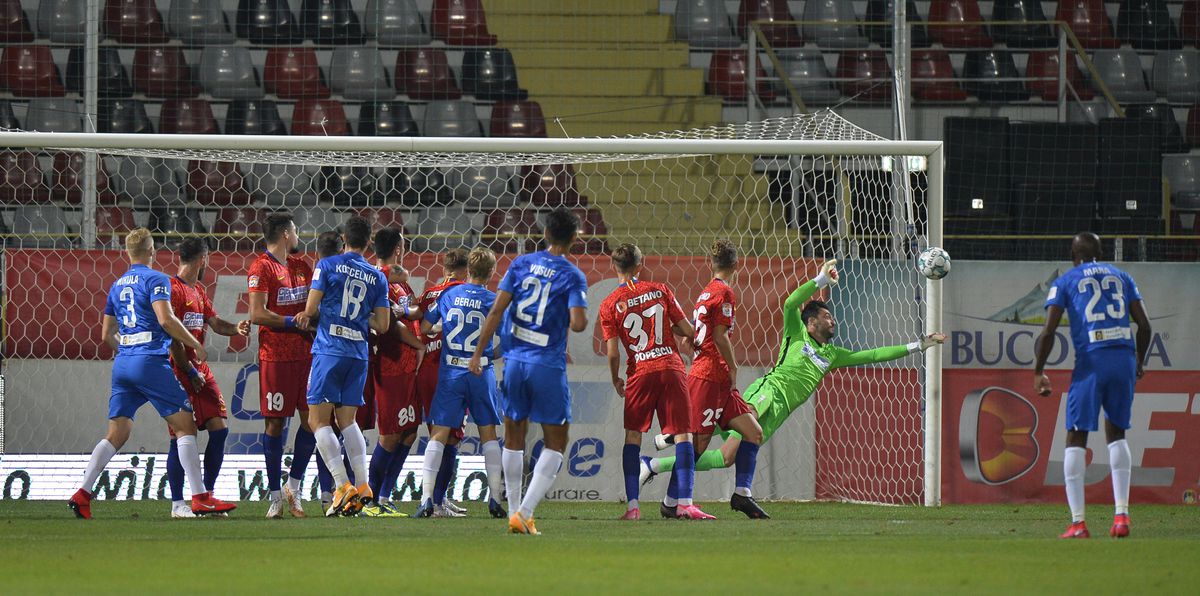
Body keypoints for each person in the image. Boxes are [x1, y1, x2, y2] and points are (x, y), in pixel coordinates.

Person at [643, 259, 946, 519]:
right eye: (827, 316)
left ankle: (656, 463)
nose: (833, 320)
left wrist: (918, 345)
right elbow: (790, 303)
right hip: (768, 391)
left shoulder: (832, 355)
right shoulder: (796, 333)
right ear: (811, 321)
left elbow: (874, 355)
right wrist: (820, 280)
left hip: (781, 410)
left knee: (726, 456)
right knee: (743, 422)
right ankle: (687, 446)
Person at [69, 229, 236, 519]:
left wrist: (128, 350)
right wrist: (195, 343)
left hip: (123, 364)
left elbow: (107, 334)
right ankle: (200, 498)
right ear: (151, 251)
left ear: (128, 252)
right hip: (149, 361)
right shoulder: (157, 279)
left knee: (116, 433)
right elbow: (166, 319)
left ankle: (82, 493)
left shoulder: (117, 285)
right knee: (185, 427)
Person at [468, 208, 590, 535]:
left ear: (545, 234)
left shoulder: (520, 264)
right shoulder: (572, 275)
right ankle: (524, 512)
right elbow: (579, 323)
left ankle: (513, 511)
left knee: (513, 437)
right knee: (556, 441)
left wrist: (478, 353)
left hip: (514, 363)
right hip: (546, 364)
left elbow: (497, 310)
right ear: (574, 238)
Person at [1033, 232, 1150, 539]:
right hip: (1123, 359)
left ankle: (1078, 523)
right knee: (1117, 433)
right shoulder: (1122, 276)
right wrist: (1138, 362)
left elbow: (1048, 332)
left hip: (1092, 362)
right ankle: (1121, 517)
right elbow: (1145, 325)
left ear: (1074, 256)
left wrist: (1038, 371)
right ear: (1101, 253)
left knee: (1076, 434)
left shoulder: (1066, 281)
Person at [599, 244, 713, 521]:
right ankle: (685, 504)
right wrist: (671, 333)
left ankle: (633, 507)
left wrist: (615, 378)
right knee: (684, 434)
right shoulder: (660, 290)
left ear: (614, 267)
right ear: (640, 266)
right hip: (670, 368)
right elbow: (688, 330)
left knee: (633, 436)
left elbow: (613, 352)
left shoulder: (609, 304)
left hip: (639, 372)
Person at [296, 216, 391, 516]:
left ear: (344, 239)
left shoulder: (327, 265)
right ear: (369, 242)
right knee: (348, 421)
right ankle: (363, 485)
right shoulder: (377, 276)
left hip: (330, 349)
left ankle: (341, 485)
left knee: (317, 421)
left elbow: (310, 309)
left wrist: (324, 312)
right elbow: (383, 325)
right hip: (358, 354)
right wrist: (360, 317)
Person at [663, 239, 765, 518]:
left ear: (712, 263)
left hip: (719, 382)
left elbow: (699, 329)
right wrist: (733, 365)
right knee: (697, 446)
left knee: (753, 432)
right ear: (736, 265)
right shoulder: (725, 292)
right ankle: (671, 502)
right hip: (709, 376)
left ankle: (742, 494)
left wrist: (692, 338)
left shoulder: (705, 292)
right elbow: (719, 336)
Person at [416, 247, 507, 519]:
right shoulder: (494, 300)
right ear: (491, 272)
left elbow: (424, 328)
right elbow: (509, 340)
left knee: (439, 434)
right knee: (488, 433)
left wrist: (443, 328)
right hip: (481, 372)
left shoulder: (448, 295)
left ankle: (426, 499)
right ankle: (495, 499)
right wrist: (491, 354)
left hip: (451, 374)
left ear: (468, 270)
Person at [164, 237, 251, 518]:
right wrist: (189, 371)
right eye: (207, 260)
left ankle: (207, 496)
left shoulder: (199, 291)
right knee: (180, 435)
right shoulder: (172, 290)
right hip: (178, 371)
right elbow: (172, 339)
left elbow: (214, 322)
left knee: (219, 429)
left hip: (200, 369)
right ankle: (178, 503)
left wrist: (236, 328)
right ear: (202, 259)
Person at [247, 212, 319, 518]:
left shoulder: (303, 266)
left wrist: (313, 319)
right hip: (275, 356)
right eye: (296, 230)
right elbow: (256, 314)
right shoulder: (261, 267)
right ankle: (275, 496)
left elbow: (315, 307)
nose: (298, 236)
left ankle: (294, 487)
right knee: (275, 424)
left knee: (311, 422)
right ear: (286, 234)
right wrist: (294, 321)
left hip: (306, 355)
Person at [362, 227, 426, 517]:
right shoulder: (379, 279)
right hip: (391, 364)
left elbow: (410, 311)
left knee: (409, 431)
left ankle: (385, 496)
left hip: (409, 365)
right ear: (398, 248)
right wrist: (418, 343)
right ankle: (370, 501)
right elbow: (390, 325)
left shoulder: (400, 284)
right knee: (389, 434)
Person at [407, 248, 473, 517]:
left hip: (426, 370)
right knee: (451, 439)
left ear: (444, 268)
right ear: (466, 270)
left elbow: (417, 324)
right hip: (451, 369)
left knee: (437, 434)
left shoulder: (428, 294)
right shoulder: (466, 293)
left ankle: (435, 499)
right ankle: (436, 501)